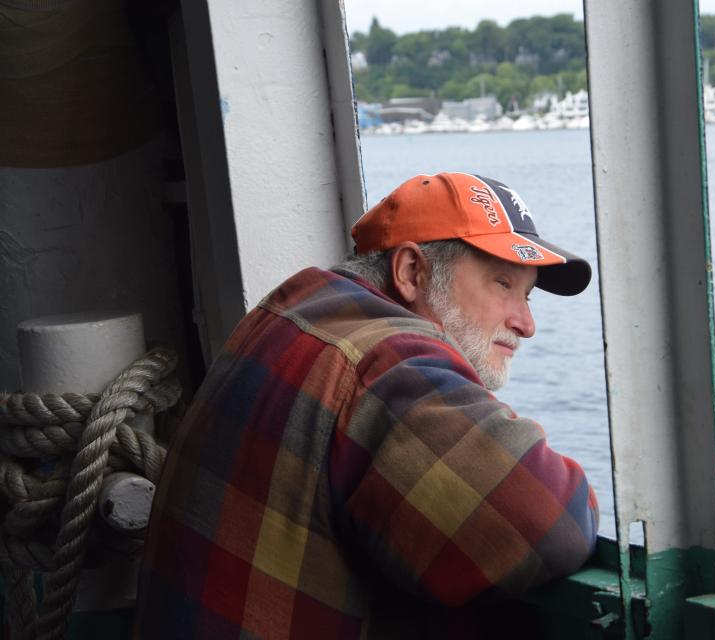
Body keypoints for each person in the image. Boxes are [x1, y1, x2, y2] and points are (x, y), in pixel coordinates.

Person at [135, 172, 599, 639]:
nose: (526, 323)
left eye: (528, 294)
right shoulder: (389, 364)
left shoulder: (288, 314)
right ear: (412, 273)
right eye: (502, 284)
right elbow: (552, 521)